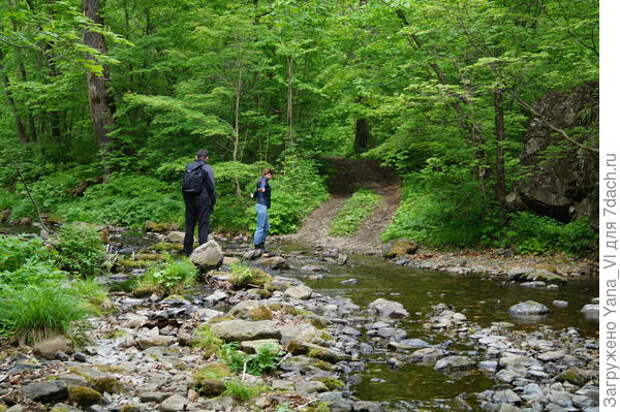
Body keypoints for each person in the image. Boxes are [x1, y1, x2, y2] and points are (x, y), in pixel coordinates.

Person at [182, 149, 216, 256]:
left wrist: (186, 201)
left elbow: (183, 185)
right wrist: (212, 202)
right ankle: (202, 252)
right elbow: (212, 187)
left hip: (189, 199)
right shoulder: (207, 168)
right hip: (203, 199)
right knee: (203, 224)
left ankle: (187, 251)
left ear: (196, 157)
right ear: (207, 158)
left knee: (189, 225)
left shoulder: (188, 167)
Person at [253, 168, 274, 252]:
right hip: (261, 206)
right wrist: (263, 188)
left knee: (266, 228)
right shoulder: (263, 180)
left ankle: (261, 245)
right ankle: (257, 246)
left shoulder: (260, 180)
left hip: (262, 206)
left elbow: (256, 192)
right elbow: (263, 185)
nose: (272, 177)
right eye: (272, 175)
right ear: (269, 174)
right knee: (260, 227)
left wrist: (254, 194)